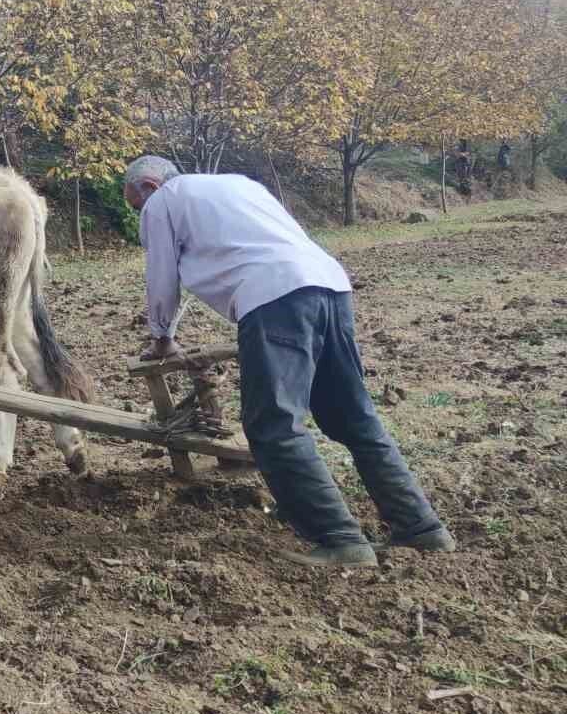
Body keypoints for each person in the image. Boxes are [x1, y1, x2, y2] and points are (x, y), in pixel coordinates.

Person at [122, 155, 455, 568]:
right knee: (353, 417)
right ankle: (422, 528)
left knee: (273, 425)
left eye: (135, 207)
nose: (139, 215)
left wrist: (162, 338)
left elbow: (161, 275)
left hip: (274, 296)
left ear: (150, 187)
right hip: (330, 286)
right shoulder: (239, 184)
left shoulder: (163, 200)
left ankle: (339, 538)